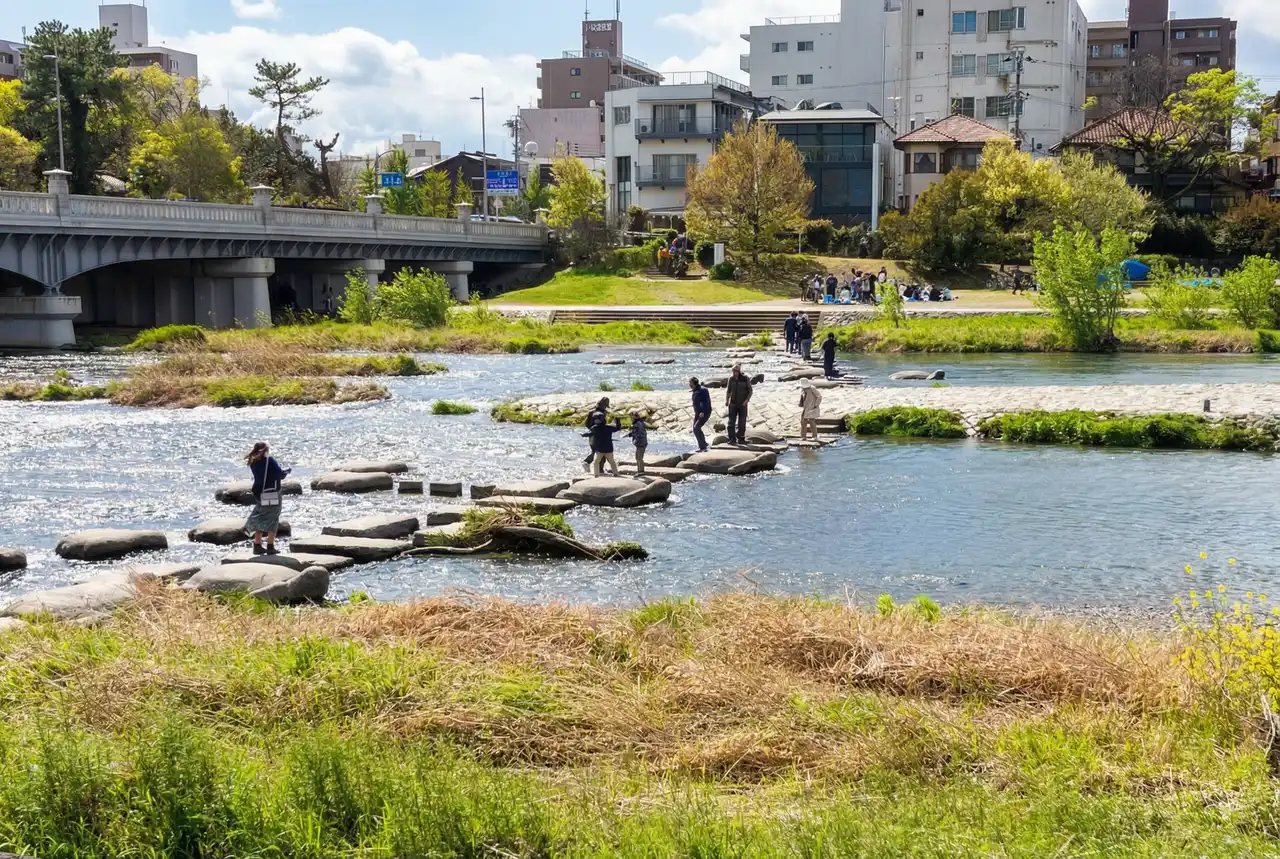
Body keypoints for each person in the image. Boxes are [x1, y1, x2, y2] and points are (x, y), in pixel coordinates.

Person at [244, 442, 291, 556]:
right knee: (273, 517)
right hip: (272, 492)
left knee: (261, 516)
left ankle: (257, 546)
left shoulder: (252, 462)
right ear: (265, 450)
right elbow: (279, 474)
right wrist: (287, 471)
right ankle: (270, 546)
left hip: (260, 493)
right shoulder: (269, 460)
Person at [725, 363, 753, 445]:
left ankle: (741, 438)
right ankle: (732, 439)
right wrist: (727, 400)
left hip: (742, 404)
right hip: (733, 403)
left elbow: (750, 391)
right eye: (733, 371)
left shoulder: (745, 379)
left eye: (736, 371)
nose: (734, 372)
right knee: (731, 423)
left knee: (742, 423)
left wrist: (746, 400)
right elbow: (728, 391)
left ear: (739, 371)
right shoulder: (731, 379)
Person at [582, 397, 609, 471]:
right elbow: (602, 425)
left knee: (595, 451)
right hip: (599, 436)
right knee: (602, 453)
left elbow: (586, 424)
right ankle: (590, 464)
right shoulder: (602, 414)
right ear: (603, 406)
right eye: (605, 406)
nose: (605, 407)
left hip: (591, 435)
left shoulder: (591, 412)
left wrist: (592, 430)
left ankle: (588, 463)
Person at [690, 377, 712, 452]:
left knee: (696, 427)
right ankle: (703, 445)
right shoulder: (695, 390)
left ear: (694, 383)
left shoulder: (703, 390)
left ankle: (703, 446)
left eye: (690, 383)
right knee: (695, 428)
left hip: (705, 412)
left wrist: (703, 411)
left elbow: (706, 402)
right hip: (698, 413)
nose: (689, 385)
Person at [627, 411, 649, 475]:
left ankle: (641, 472)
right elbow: (635, 431)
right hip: (639, 443)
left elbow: (639, 433)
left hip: (641, 443)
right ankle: (639, 471)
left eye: (631, 417)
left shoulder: (639, 423)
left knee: (639, 458)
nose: (630, 418)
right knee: (637, 458)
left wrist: (630, 434)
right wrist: (630, 434)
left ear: (634, 416)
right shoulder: (637, 422)